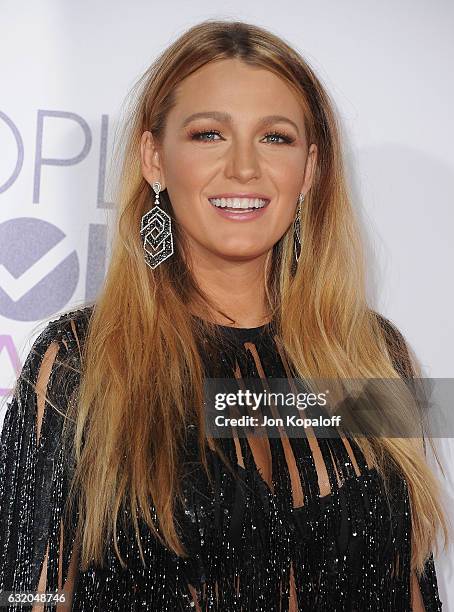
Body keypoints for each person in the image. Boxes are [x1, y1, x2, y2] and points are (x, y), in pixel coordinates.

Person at [0, 19, 448, 612]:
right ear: (154, 158)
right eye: (210, 134)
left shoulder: (373, 354)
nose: (244, 168)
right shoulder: (80, 360)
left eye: (276, 138)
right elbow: (27, 591)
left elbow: (413, 586)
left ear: (310, 171)